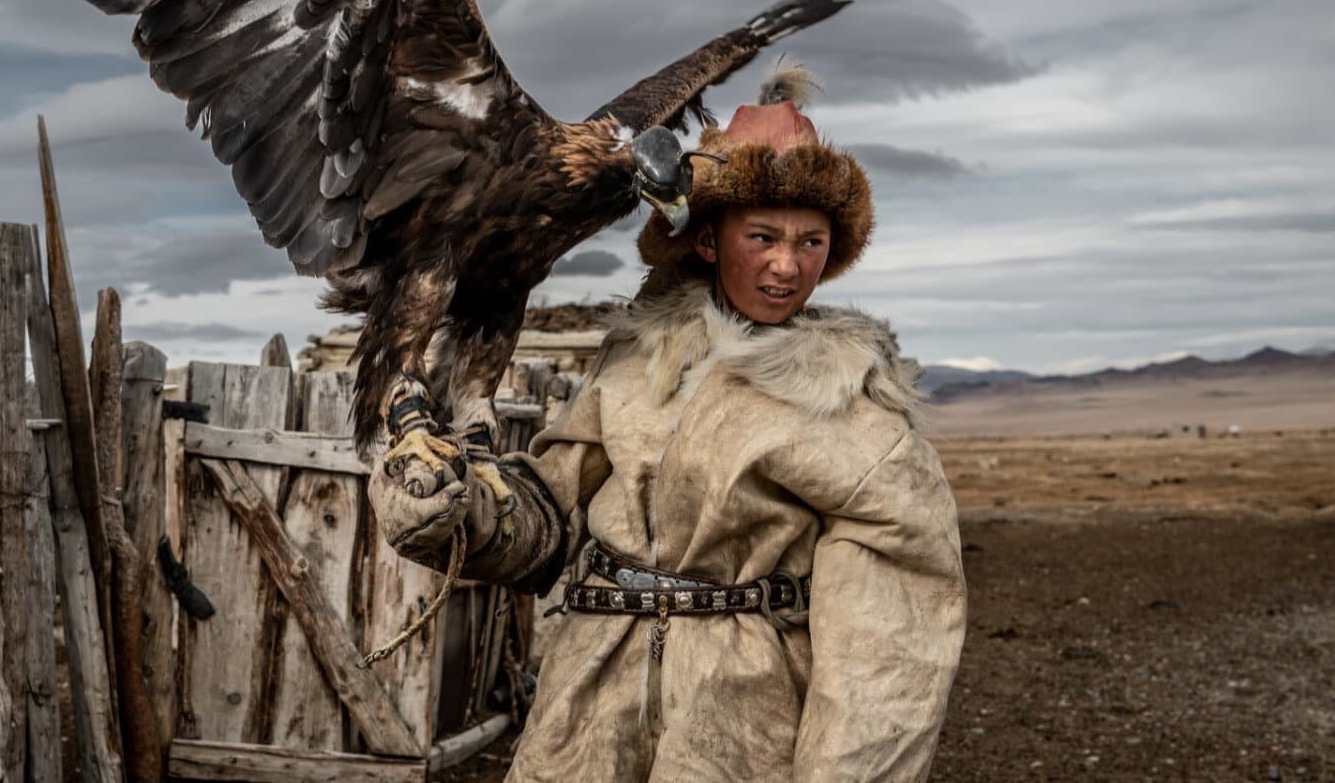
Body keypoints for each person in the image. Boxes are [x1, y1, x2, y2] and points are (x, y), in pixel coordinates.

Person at [371, 71, 966, 781]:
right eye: (764, 236)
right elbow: (551, 525)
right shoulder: (634, 366)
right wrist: (461, 509)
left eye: (811, 243)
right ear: (709, 242)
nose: (787, 265)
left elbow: (888, 655)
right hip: (583, 718)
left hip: (740, 727)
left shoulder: (856, 411)